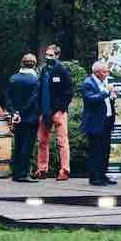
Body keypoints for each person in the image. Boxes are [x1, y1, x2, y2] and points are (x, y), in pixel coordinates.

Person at [36, 44, 74, 181]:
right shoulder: (44, 70)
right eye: (46, 55)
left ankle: (65, 169)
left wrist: (60, 110)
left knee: (62, 141)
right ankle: (42, 169)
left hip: (58, 112)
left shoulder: (62, 70)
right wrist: (40, 110)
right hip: (44, 111)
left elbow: (69, 92)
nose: (48, 57)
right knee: (42, 141)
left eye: (51, 55)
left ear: (58, 56)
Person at [81, 60, 119, 186]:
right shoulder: (88, 83)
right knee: (95, 150)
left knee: (105, 150)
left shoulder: (103, 82)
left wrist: (112, 97)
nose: (107, 73)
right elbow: (90, 99)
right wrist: (106, 92)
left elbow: (105, 100)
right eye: (104, 72)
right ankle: (94, 177)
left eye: (107, 71)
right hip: (95, 122)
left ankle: (103, 175)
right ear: (96, 72)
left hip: (106, 120)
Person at [7, 53, 42, 183]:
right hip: (30, 116)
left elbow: (8, 98)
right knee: (27, 146)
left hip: (17, 116)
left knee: (18, 144)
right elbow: (33, 100)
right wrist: (22, 112)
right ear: (34, 64)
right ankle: (23, 173)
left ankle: (16, 173)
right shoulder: (35, 80)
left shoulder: (13, 78)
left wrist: (14, 112)